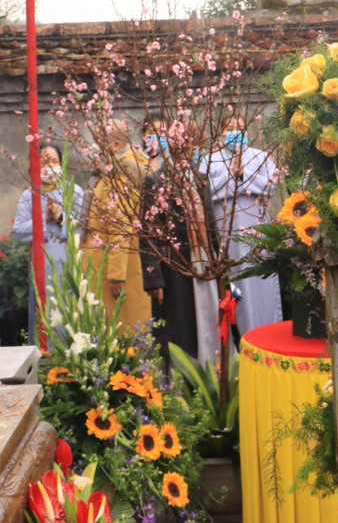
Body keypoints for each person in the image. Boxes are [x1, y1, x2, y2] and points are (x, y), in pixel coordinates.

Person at [138, 118, 207, 363]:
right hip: (173, 266)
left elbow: (212, 227)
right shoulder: (155, 182)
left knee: (206, 321)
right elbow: (148, 232)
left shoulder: (199, 178)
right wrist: (153, 277)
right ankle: (178, 384)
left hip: (204, 263)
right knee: (179, 327)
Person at [206, 115, 280, 335]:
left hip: (256, 230)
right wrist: (232, 176)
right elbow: (209, 191)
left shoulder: (261, 156)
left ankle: (269, 332)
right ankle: (242, 337)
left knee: (261, 281)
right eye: (229, 128)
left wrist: (243, 175)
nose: (235, 133)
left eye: (239, 128)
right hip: (228, 233)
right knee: (237, 284)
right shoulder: (212, 159)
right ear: (220, 134)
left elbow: (270, 186)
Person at [12, 142, 85, 343]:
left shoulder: (75, 191)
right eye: (43, 162)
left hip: (67, 260)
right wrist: (43, 219)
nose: (49, 166)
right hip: (42, 262)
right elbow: (18, 230)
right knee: (44, 311)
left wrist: (60, 218)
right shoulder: (29, 195)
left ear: (61, 164)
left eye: (53, 161)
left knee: (68, 310)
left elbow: (81, 229)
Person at [83, 119, 150, 329]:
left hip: (114, 267)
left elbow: (119, 228)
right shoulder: (116, 174)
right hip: (108, 259)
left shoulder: (120, 177)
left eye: (99, 142)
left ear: (115, 145)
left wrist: (115, 275)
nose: (95, 149)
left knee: (120, 329)